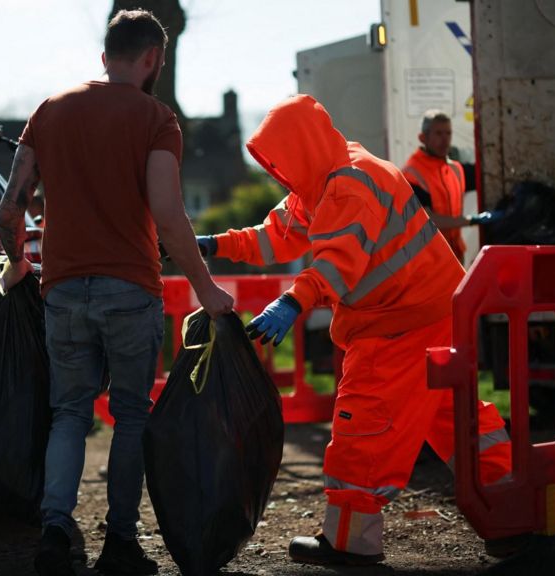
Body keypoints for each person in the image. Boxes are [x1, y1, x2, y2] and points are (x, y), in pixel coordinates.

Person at [197, 95, 512, 565]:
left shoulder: (347, 186)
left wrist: (291, 301)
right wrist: (213, 244)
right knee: (458, 417)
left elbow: (337, 264)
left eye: (279, 159)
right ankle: (514, 510)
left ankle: (350, 542)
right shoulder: (331, 175)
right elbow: (275, 235)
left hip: (395, 325)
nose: (276, 171)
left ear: (301, 147)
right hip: (428, 313)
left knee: (361, 423)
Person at [0, 9, 234, 576]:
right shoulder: (157, 119)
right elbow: (169, 215)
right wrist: (205, 289)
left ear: (105, 57)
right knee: (131, 416)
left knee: (69, 413)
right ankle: (120, 544)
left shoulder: (49, 112)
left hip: (62, 290)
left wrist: (17, 263)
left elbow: (10, 206)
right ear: (154, 58)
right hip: (129, 287)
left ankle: (55, 527)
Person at [402, 110, 494, 265]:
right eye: (438, 134)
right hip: (428, 260)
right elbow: (428, 220)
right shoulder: (411, 174)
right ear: (422, 138)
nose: (445, 140)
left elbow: (486, 175)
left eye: (448, 133)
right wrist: (471, 220)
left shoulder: (455, 169)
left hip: (455, 254)